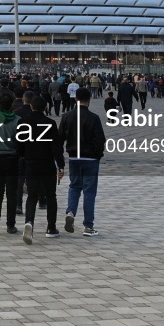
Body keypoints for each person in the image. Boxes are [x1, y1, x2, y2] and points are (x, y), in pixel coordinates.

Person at [15, 95, 64, 244]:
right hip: (47, 163)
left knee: (31, 196)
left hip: (30, 163)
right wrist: (60, 166)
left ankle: (29, 222)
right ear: (45, 108)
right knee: (51, 196)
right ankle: (51, 228)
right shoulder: (50, 123)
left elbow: (19, 145)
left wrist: (23, 156)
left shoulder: (23, 122)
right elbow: (57, 148)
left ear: (31, 106)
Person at [59, 87, 105, 237]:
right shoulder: (94, 117)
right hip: (90, 158)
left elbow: (59, 139)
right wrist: (98, 155)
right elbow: (100, 140)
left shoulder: (66, 116)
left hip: (73, 157)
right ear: (89, 100)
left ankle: (71, 212)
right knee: (89, 192)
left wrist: (60, 159)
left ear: (75, 99)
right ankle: (88, 226)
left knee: (74, 187)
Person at [0, 91, 22, 234]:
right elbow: (21, 140)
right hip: (12, 158)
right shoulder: (18, 119)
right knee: (12, 192)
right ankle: (10, 225)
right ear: (11, 105)